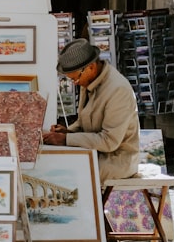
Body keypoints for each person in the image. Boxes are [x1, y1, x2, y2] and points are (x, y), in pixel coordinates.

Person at [43, 38, 140, 184]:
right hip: (94, 153)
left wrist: (66, 139)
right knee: (51, 164)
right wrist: (67, 132)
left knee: (64, 174)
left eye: (76, 79)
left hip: (117, 160)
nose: (75, 83)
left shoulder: (118, 90)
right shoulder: (89, 80)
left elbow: (109, 141)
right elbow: (83, 123)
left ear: (91, 67)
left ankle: (81, 207)